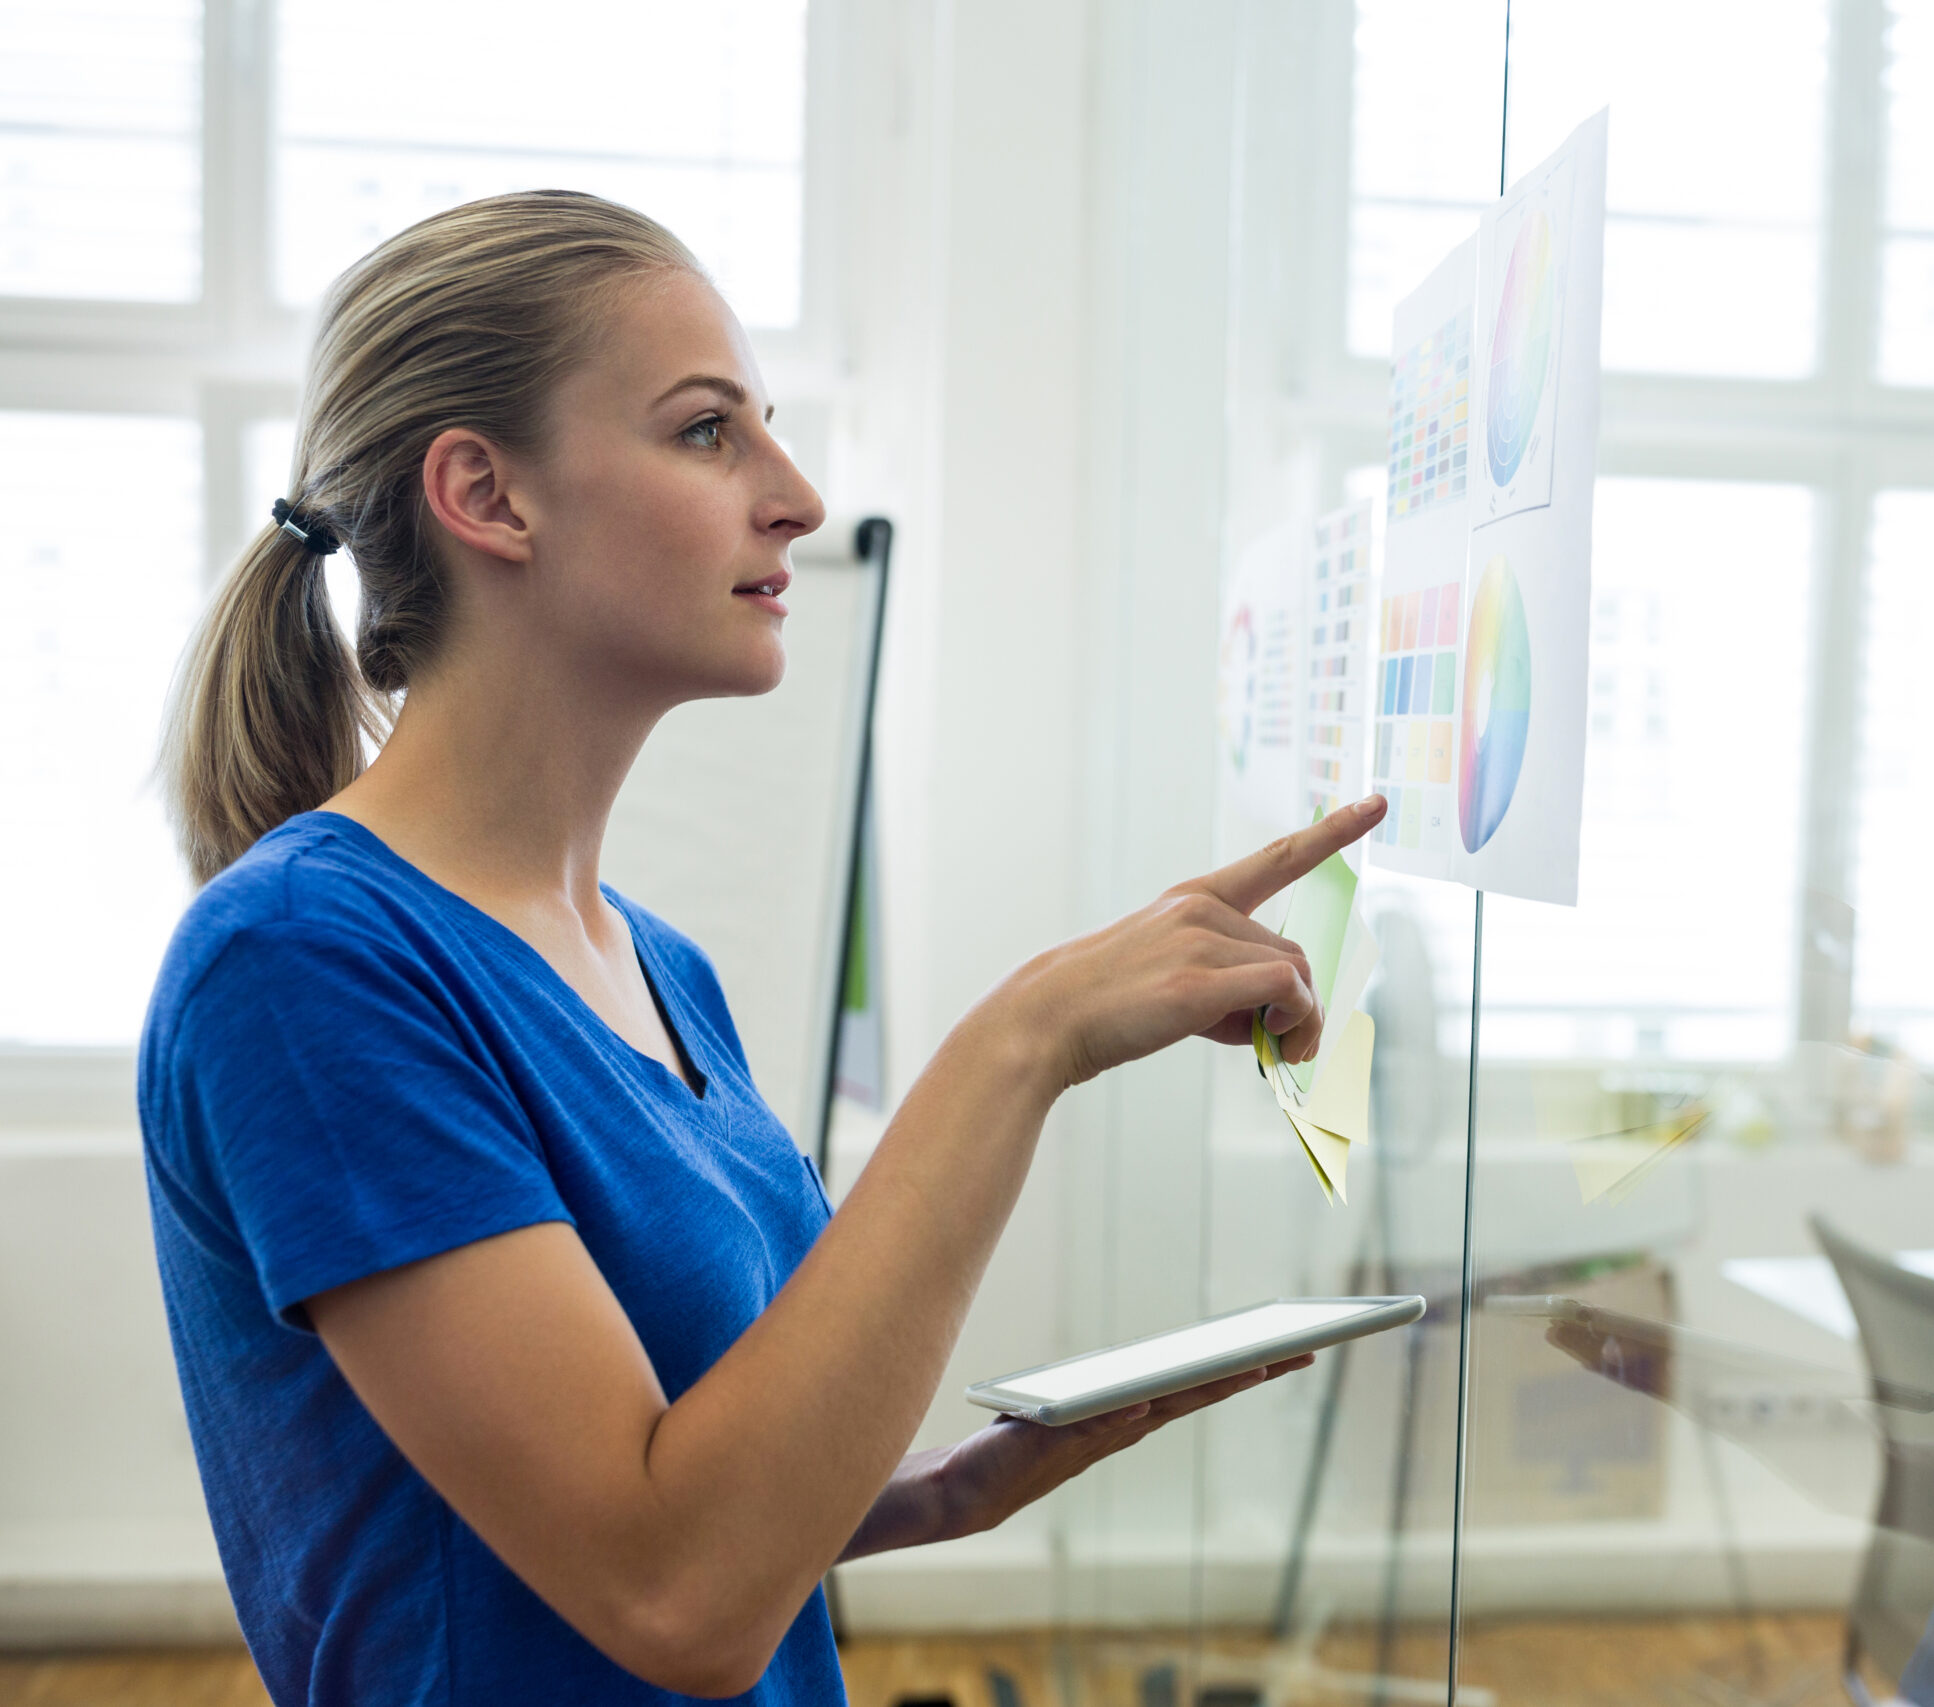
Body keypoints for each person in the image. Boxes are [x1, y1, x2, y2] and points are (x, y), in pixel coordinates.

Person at [140, 190, 1385, 1705]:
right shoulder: (298, 963)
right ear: (486, 493)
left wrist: (938, 1493)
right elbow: (674, 1592)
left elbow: (678, 1473)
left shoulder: (663, 969)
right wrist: (1022, 1042)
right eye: (708, 432)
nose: (793, 494)